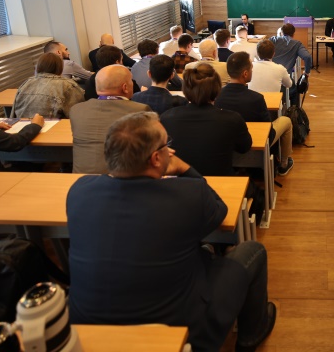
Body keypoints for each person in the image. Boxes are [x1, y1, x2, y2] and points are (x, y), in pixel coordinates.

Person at [66, 111, 276, 352]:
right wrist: (185, 168)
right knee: (253, 251)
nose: (171, 150)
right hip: (180, 331)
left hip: (85, 328)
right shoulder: (188, 194)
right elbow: (219, 211)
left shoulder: (79, 191)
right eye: (167, 145)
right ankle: (250, 337)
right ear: (156, 158)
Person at [160, 63, 252, 177]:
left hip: (181, 184)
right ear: (217, 89)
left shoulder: (166, 118)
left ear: (185, 89)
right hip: (222, 182)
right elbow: (244, 147)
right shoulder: (232, 119)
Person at [216, 52, 294, 176]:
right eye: (251, 68)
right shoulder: (256, 98)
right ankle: (284, 163)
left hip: (227, 144)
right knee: (286, 121)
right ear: (245, 74)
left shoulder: (217, 96)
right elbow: (269, 131)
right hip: (254, 143)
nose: (252, 70)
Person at [71, 65, 150, 174]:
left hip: (81, 178)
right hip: (122, 178)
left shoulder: (76, 110)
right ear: (125, 87)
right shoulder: (140, 110)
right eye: (131, 81)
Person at [13, 52, 84, 119]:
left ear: (38, 67)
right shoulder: (68, 85)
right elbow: (79, 114)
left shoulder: (26, 83)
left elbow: (14, 114)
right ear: (60, 68)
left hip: (23, 125)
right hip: (54, 125)